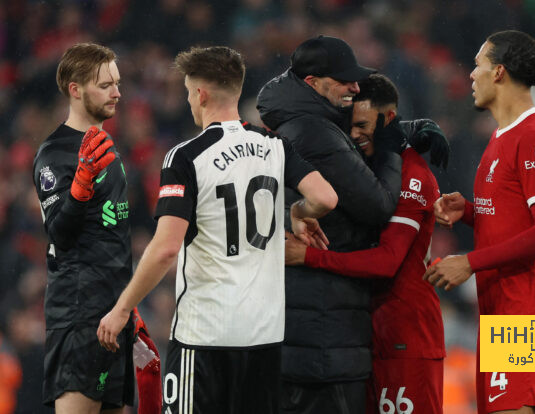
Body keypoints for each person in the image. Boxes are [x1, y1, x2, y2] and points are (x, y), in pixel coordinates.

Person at [97, 45, 337, 414]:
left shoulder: (186, 156)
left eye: (188, 92)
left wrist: (122, 308)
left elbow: (166, 248)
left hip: (205, 336)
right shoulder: (274, 146)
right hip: (264, 336)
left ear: (200, 94)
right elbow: (325, 198)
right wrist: (299, 211)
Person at [424, 30, 535, 414]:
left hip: (532, 313)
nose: (471, 75)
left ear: (500, 73)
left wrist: (468, 262)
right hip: (502, 309)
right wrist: (469, 211)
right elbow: (515, 218)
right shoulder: (500, 139)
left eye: (478, 66)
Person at [256, 35, 403, 414]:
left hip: (307, 327)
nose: (355, 87)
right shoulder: (315, 133)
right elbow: (379, 207)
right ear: (312, 83)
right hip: (324, 336)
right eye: (344, 80)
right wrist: (390, 144)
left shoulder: (296, 124)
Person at [285, 73, 447, 414]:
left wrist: (310, 257)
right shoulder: (368, 171)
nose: (354, 134)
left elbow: (388, 261)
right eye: (349, 125)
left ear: (387, 120)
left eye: (362, 125)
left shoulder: (413, 176)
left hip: (408, 335)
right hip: (370, 335)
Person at [32, 43, 135, 413]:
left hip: (114, 313)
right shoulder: (55, 153)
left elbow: (113, 230)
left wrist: (127, 301)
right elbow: (60, 234)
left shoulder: (106, 145)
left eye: (117, 83)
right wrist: (80, 186)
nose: (117, 92)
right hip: (79, 314)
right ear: (75, 90)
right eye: (105, 85)